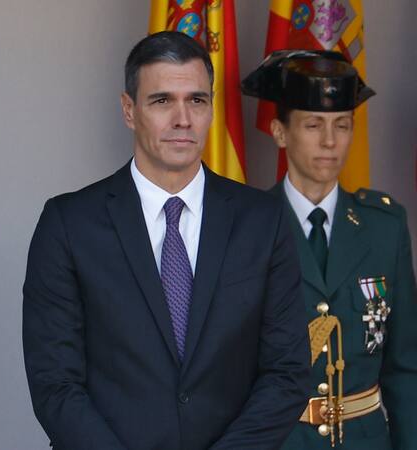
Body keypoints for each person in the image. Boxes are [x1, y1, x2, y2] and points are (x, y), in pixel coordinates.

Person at [22, 31, 311, 450]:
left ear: (212, 109)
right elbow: (55, 384)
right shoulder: (68, 224)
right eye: (162, 101)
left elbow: (287, 373)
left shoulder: (262, 221)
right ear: (129, 110)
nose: (183, 119)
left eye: (197, 100)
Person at [242, 50, 417, 449]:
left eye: (342, 125)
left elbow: (405, 367)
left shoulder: (384, 228)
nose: (329, 141)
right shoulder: (246, 228)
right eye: (313, 124)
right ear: (279, 132)